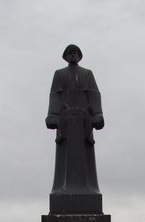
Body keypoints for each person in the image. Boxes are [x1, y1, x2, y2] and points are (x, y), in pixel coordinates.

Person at [46, 45, 104, 195]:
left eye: (75, 53)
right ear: (65, 56)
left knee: (85, 159)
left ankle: (88, 191)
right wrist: (52, 115)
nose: (72, 55)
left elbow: (94, 94)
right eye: (69, 53)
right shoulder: (59, 74)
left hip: (84, 122)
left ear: (79, 56)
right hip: (65, 122)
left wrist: (98, 114)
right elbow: (54, 95)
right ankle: (62, 190)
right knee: (64, 160)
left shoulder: (87, 74)